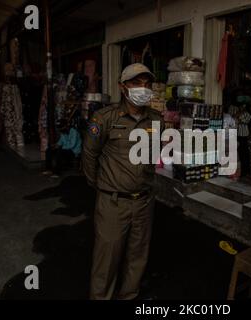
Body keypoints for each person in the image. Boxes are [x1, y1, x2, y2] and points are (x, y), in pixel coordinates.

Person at [82, 63, 162, 300]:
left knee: (137, 258)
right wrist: (101, 186)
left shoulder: (156, 120)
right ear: (122, 87)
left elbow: (153, 155)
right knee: (106, 261)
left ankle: (129, 296)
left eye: (147, 84)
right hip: (113, 203)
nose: (143, 88)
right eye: (136, 83)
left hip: (144, 202)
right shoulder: (105, 117)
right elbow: (89, 155)